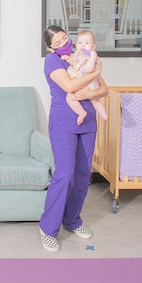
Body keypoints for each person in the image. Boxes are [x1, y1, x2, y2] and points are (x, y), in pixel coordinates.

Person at [39, 25, 108, 253]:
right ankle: (48, 229)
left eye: (64, 38)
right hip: (63, 124)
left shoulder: (80, 55)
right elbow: (69, 86)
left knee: (82, 175)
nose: (63, 43)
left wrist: (91, 92)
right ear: (50, 48)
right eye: (57, 43)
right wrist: (95, 72)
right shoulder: (52, 61)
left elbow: (104, 89)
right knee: (65, 174)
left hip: (87, 122)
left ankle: (72, 220)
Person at [63, 30, 108, 124]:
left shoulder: (91, 57)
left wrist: (92, 57)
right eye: (80, 43)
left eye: (87, 43)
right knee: (94, 101)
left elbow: (89, 69)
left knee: (70, 98)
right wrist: (68, 59)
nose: (83, 46)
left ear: (93, 46)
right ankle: (100, 114)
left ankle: (83, 113)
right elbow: (75, 64)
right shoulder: (78, 55)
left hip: (88, 84)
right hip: (84, 83)